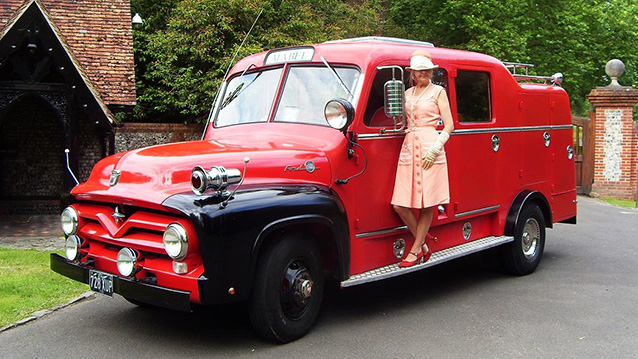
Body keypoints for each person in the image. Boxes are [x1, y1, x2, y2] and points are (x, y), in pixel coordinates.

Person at [392, 50, 454, 268]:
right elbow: (400, 119)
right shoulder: (407, 94)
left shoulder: (438, 92)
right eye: (420, 70)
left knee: (427, 203)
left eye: (427, 69)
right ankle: (424, 240)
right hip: (409, 145)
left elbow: (449, 125)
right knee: (399, 204)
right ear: (413, 73)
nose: (424, 73)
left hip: (431, 145)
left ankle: (416, 249)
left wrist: (435, 149)